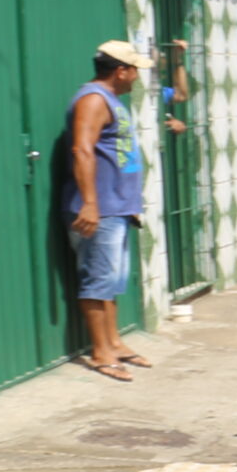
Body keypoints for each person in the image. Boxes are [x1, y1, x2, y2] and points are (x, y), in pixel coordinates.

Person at [66, 40, 160, 383]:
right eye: (134, 70)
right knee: (98, 280)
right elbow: (81, 150)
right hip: (99, 210)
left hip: (117, 207)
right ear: (121, 71)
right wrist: (91, 203)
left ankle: (115, 342)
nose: (136, 77)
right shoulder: (93, 100)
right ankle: (100, 352)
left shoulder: (111, 101)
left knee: (113, 281)